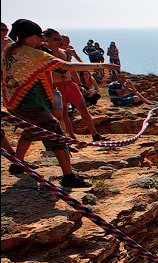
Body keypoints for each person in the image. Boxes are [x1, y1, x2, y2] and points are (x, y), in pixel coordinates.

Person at [2, 19, 117, 187]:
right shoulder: (33, 54)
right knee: (56, 135)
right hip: (30, 103)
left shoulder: (10, 51)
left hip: (12, 102)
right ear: (31, 36)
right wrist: (102, 65)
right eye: (40, 36)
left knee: (30, 131)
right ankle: (69, 177)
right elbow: (67, 66)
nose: (42, 39)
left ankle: (17, 164)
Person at [42, 29, 108, 142]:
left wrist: (78, 84)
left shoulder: (63, 52)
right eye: (56, 39)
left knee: (82, 108)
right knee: (63, 113)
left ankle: (95, 134)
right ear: (48, 39)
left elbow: (71, 69)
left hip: (69, 83)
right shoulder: (46, 53)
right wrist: (68, 59)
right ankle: (71, 136)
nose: (59, 42)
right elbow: (59, 68)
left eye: (60, 40)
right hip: (56, 84)